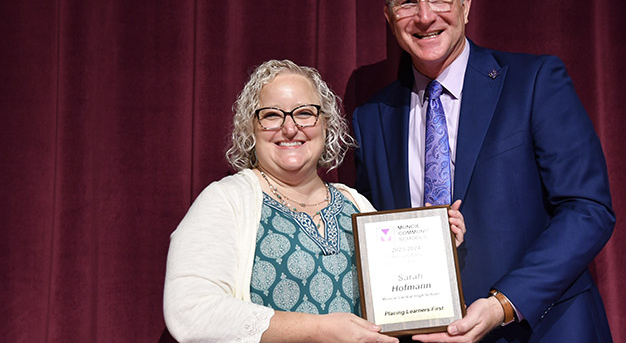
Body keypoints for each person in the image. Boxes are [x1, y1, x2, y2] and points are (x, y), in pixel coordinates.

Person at [352, 0, 615, 342]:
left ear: (465, 6)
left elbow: (588, 208)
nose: (425, 17)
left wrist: (503, 304)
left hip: (540, 329)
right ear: (389, 18)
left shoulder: (534, 81)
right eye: (407, 3)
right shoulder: (372, 117)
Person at [164, 59, 466, 342]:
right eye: (271, 115)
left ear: (326, 125)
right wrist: (318, 330)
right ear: (250, 129)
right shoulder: (227, 201)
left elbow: (399, 302)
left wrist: (433, 250)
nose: (290, 127)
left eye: (305, 112)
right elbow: (190, 311)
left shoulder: (356, 204)